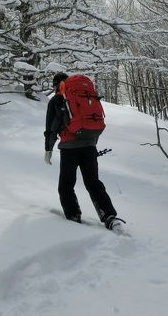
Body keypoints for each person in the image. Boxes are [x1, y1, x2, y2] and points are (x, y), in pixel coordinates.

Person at [44, 72, 123, 230]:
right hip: (89, 147)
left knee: (66, 185)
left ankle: (73, 217)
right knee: (93, 183)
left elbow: (51, 128)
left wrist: (48, 149)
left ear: (56, 85)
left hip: (69, 148)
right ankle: (110, 217)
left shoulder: (57, 99)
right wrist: (91, 144)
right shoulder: (83, 95)